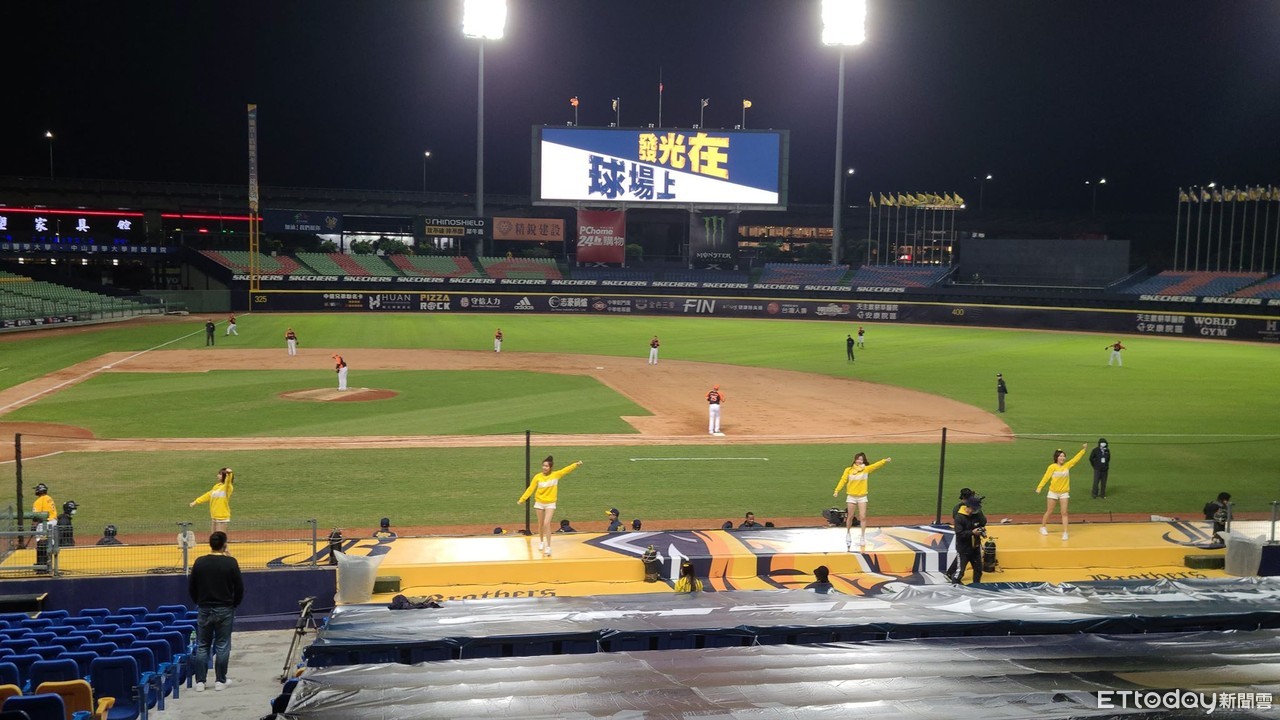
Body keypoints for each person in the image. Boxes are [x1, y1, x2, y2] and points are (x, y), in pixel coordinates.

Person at [188, 530, 244, 692]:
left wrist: (199, 601)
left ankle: (200, 681)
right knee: (222, 644)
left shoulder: (200, 562)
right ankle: (220, 680)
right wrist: (234, 604)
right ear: (224, 545)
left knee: (203, 645)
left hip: (205, 608)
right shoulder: (230, 563)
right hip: (224, 608)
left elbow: (192, 587)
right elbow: (239, 587)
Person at [516, 455, 584, 557]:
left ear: (550, 467)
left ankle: (548, 547)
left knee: (546, 523)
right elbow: (531, 489)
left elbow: (566, 470)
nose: (544, 468)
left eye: (546, 466)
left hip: (550, 503)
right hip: (539, 503)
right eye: (543, 465)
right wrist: (522, 499)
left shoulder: (555, 475)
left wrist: (576, 464)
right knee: (540, 524)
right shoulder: (537, 477)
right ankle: (541, 541)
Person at [832, 452, 893, 549]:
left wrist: (884, 461)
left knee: (863, 516)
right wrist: (837, 490)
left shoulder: (866, 469)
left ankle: (862, 537)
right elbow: (843, 480)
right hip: (851, 496)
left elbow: (875, 466)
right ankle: (848, 533)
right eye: (858, 459)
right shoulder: (848, 470)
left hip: (862, 497)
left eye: (861, 459)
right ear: (855, 460)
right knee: (850, 516)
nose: (859, 461)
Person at [1035, 444, 1087, 540]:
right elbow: (1046, 477)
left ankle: (1065, 532)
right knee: (1049, 511)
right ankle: (1043, 527)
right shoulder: (1052, 467)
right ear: (1056, 458)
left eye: (1063, 456)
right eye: (1060, 456)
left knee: (1064, 512)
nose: (1062, 458)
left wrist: (1083, 450)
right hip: (1053, 492)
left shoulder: (1067, 465)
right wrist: (1040, 487)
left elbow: (1075, 459)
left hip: (1064, 493)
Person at [953, 494, 988, 584]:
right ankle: (954, 586)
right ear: (968, 507)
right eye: (973, 509)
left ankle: (977, 587)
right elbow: (959, 533)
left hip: (975, 548)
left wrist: (981, 528)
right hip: (963, 549)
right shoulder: (959, 517)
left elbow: (983, 522)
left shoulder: (976, 514)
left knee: (978, 570)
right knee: (960, 572)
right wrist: (972, 532)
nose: (975, 511)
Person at [190, 467, 234, 534]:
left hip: (222, 517)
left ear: (225, 476)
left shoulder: (227, 487)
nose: (217, 475)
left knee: (220, 537)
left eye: (220, 474)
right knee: (213, 537)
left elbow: (228, 481)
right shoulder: (217, 486)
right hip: (214, 516)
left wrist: (229, 473)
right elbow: (208, 495)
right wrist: (196, 501)